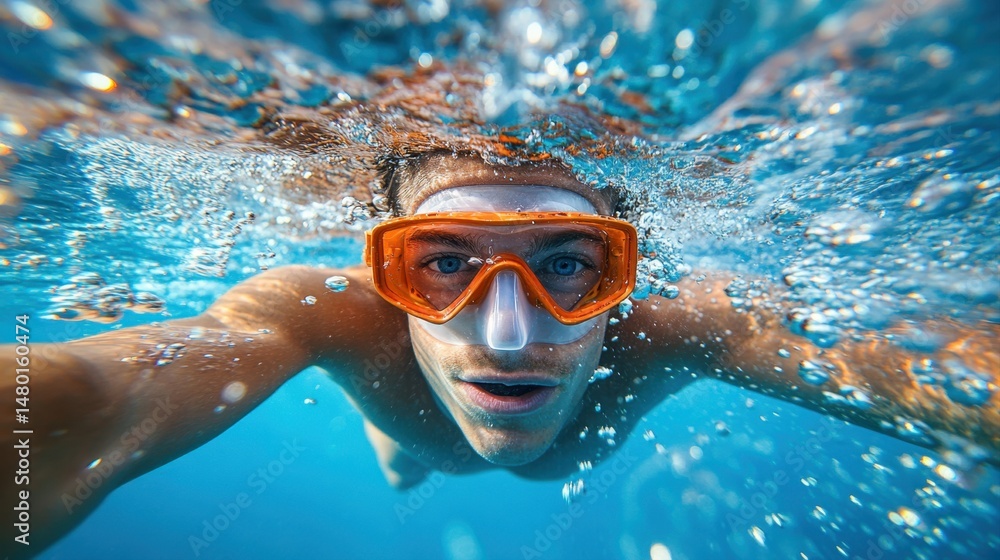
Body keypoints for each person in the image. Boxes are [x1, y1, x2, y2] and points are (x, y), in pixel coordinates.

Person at [3, 151, 997, 555]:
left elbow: (938, 377)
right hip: (412, 414)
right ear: (379, 270)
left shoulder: (684, 319)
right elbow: (112, 385)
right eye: (440, 265)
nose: (508, 331)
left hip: (440, 408)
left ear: (630, 270)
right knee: (404, 457)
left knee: (415, 449)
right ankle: (393, 440)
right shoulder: (324, 311)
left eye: (570, 263)